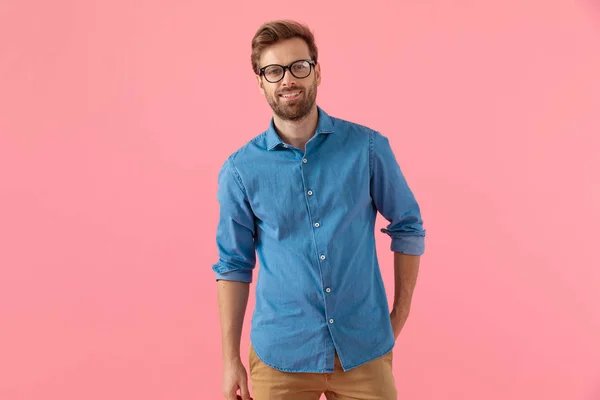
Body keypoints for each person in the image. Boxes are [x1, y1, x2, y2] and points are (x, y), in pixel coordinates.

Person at [212, 19, 426, 400]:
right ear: (260, 81)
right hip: (280, 358)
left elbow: (408, 226)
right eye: (274, 71)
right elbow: (233, 265)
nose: (287, 80)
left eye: (299, 66)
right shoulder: (240, 170)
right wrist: (230, 358)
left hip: (364, 352)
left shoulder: (368, 149)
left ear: (317, 71)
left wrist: (399, 315)